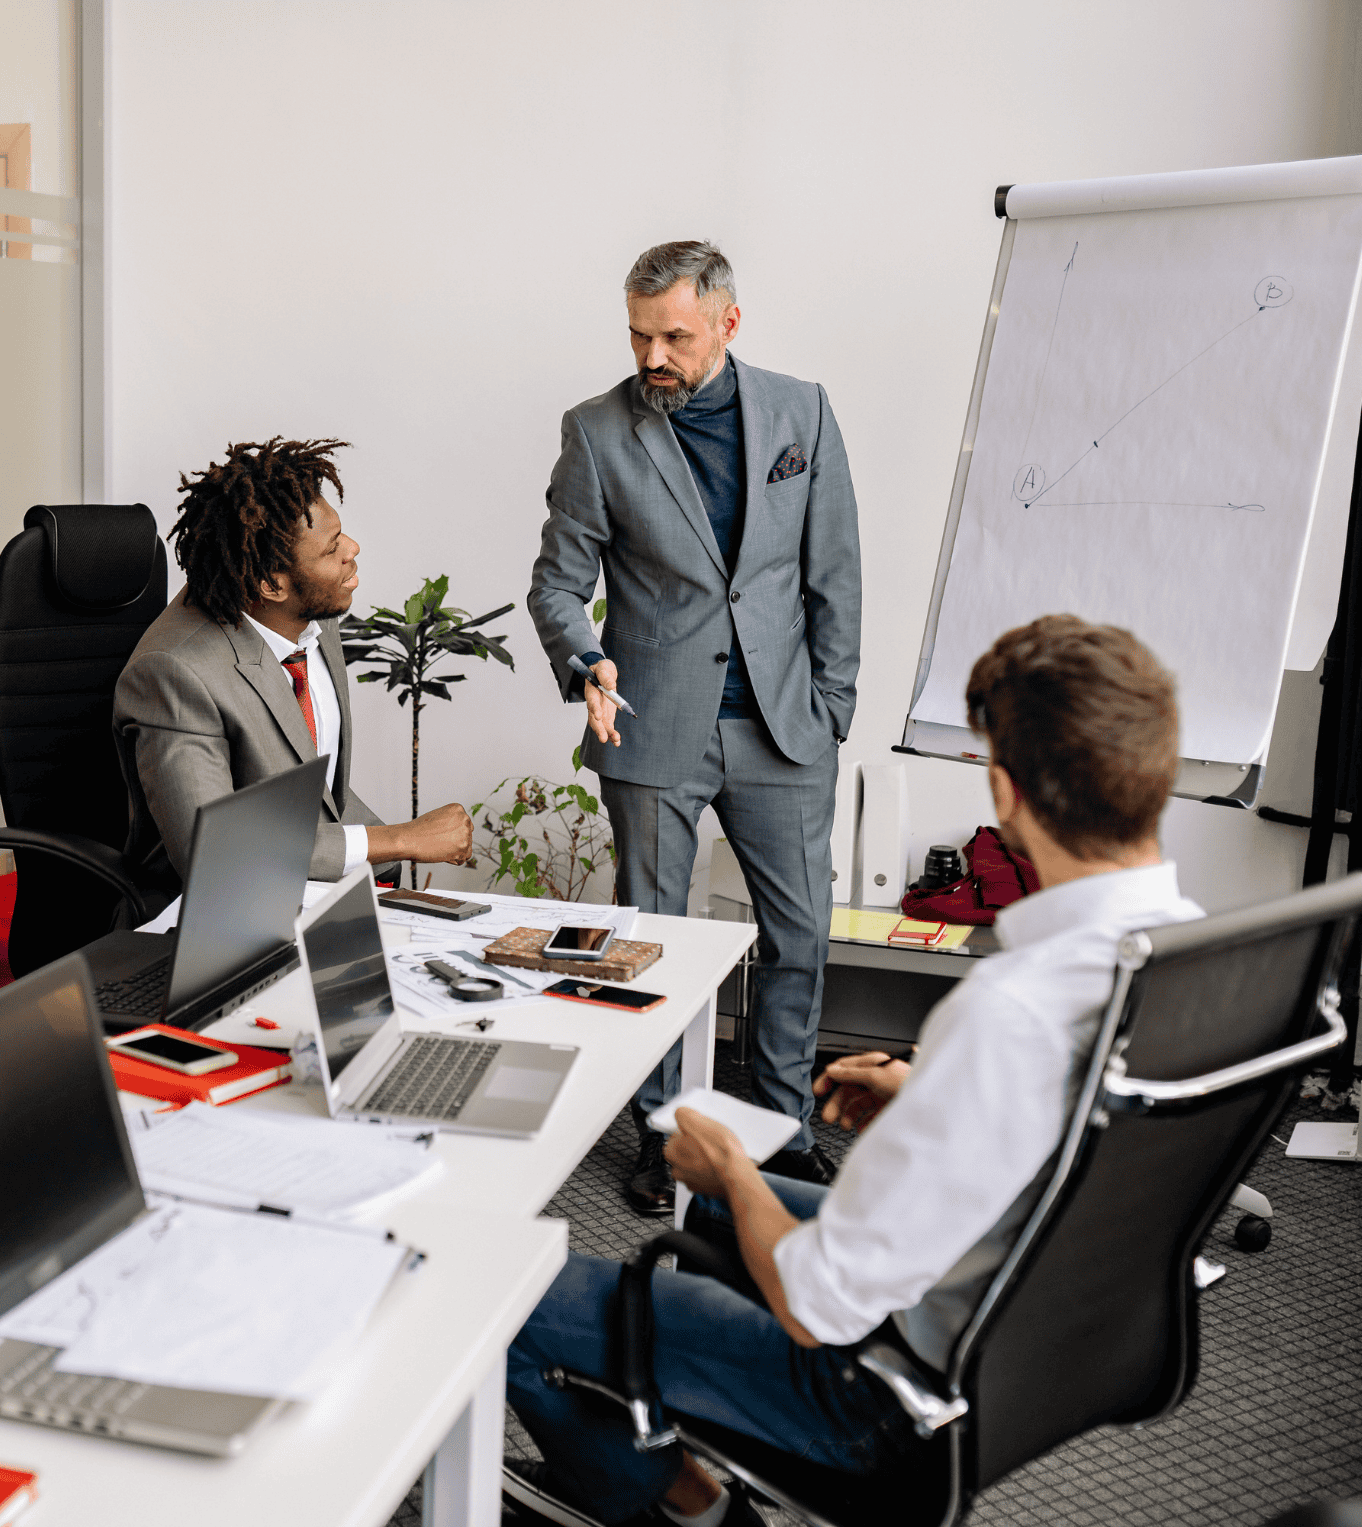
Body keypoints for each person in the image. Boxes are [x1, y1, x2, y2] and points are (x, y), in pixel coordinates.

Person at [502, 615, 1204, 1527]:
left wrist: (735, 1171)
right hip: (1047, 1348)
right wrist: (938, 1102)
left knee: (507, 1294)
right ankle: (696, 1410)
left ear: (1006, 789)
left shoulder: (1009, 1008)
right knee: (711, 1218)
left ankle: (691, 1506)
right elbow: (1095, 1141)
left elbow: (814, 1304)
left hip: (881, 1398)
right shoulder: (1195, 956)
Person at [528, 240, 862, 1214]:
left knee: (798, 937)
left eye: (674, 336)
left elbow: (834, 572)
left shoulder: (803, 412)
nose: (653, 357)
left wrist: (833, 707)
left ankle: (783, 1129)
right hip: (652, 726)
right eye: (640, 336)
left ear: (727, 322)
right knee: (656, 945)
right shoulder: (597, 432)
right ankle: (668, 1135)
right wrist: (583, 661)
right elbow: (557, 584)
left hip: (784, 726)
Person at [114, 436, 473, 889]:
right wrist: (400, 840)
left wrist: (387, 868)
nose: (353, 549)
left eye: (341, 534)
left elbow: (323, 796)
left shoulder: (312, 617)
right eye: (331, 548)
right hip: (214, 911)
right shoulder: (175, 674)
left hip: (310, 892)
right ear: (271, 585)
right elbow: (213, 854)